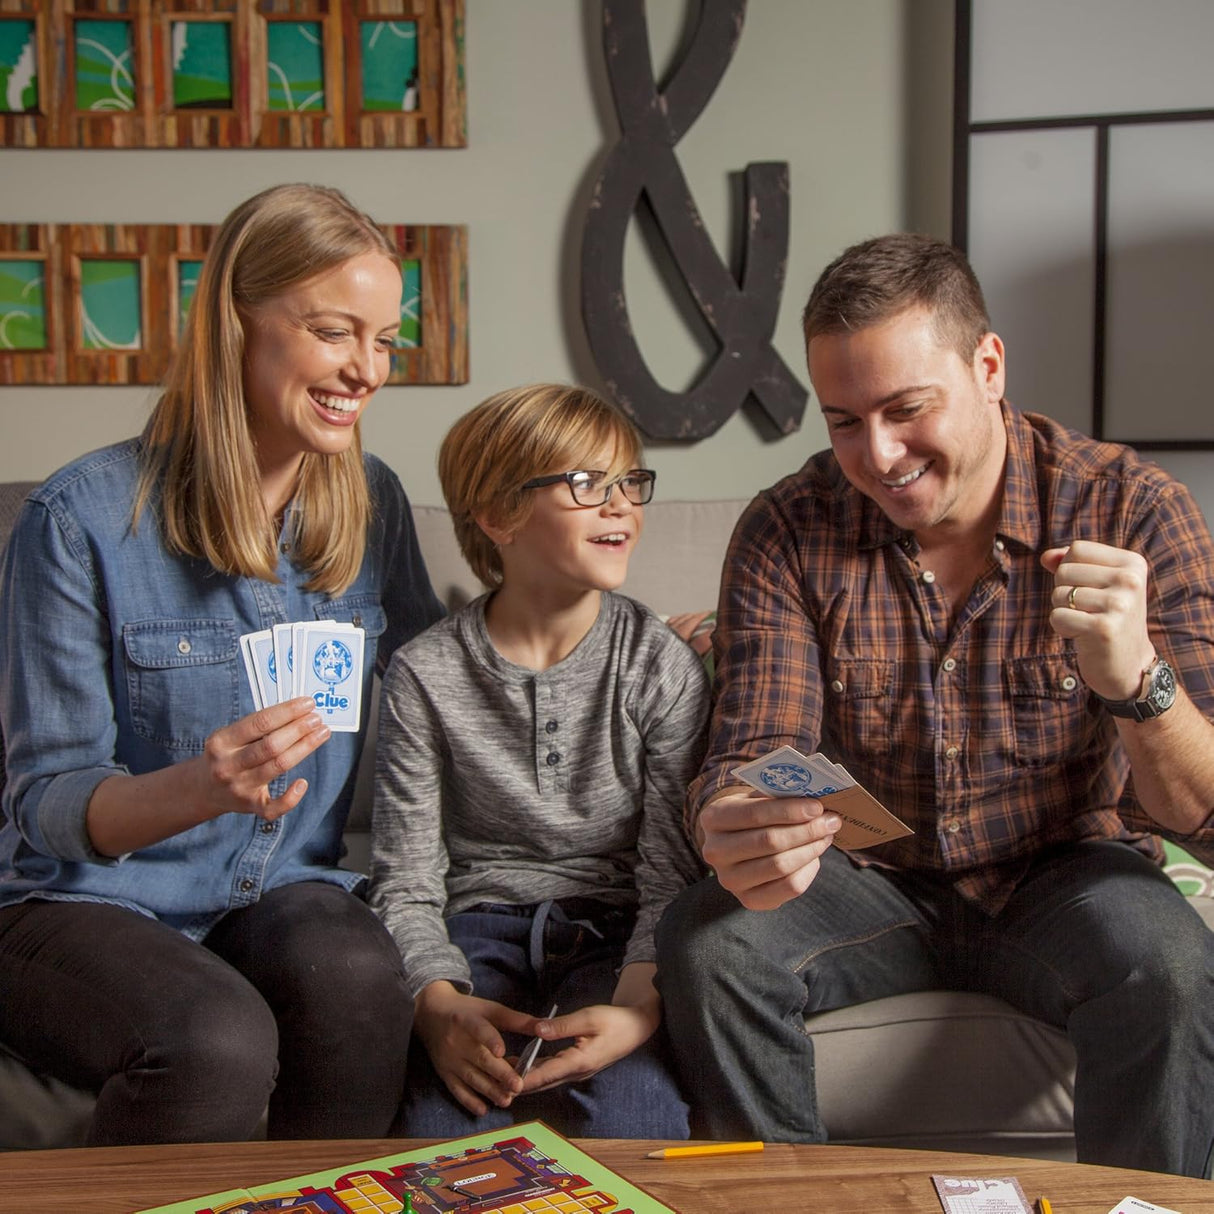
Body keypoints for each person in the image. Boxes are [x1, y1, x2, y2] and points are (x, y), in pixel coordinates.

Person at [655, 233, 1214, 1177]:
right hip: (868, 878)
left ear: (988, 366)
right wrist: (735, 819)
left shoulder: (1133, 509)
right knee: (708, 944)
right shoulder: (789, 526)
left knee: (1171, 968)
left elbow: (1204, 815)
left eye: (907, 409)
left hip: (1064, 871)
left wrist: (1136, 679)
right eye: (842, 421)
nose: (877, 456)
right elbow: (755, 742)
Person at [0, 183, 444, 1145]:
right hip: (79, 900)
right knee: (216, 1040)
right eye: (336, 332)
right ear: (237, 322)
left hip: (280, 887)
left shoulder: (372, 501)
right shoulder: (78, 519)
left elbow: (439, 688)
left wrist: (634, 636)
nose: (367, 370)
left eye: (385, 341)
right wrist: (202, 787)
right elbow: (46, 802)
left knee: (363, 985)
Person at [368, 383, 710, 1139]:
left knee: (640, 1123)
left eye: (630, 482)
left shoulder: (659, 666)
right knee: (433, 1132)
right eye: (588, 484)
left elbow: (669, 875)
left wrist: (636, 1010)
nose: (621, 504)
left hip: (616, 935)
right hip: (476, 932)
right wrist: (437, 1005)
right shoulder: (425, 675)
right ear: (497, 516)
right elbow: (407, 876)